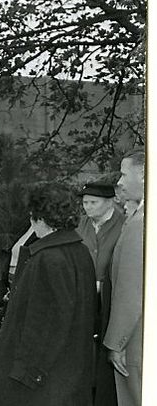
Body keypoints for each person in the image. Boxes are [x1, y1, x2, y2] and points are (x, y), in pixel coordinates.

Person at [0, 184, 96, 406]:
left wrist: (27, 371)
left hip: (39, 381)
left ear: (39, 218)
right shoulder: (80, 252)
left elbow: (43, 323)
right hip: (68, 374)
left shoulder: (47, 258)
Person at [75, 178, 125, 406]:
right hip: (82, 299)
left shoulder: (124, 225)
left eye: (93, 202)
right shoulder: (80, 224)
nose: (88, 207)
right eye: (85, 202)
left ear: (109, 202)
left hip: (110, 302)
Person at [104, 149, 144, 406]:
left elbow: (131, 291)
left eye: (123, 173)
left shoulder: (142, 224)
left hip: (137, 341)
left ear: (143, 174)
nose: (119, 182)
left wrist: (115, 343)